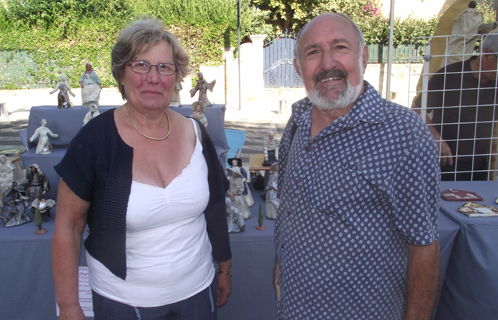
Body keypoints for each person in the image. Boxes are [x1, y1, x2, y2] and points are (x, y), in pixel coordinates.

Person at [52, 19, 232, 320]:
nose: (153, 77)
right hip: (123, 302)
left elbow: (215, 206)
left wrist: (224, 268)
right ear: (121, 73)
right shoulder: (93, 141)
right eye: (141, 65)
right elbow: (68, 227)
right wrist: (69, 307)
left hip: (198, 293)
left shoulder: (196, 133)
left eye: (165, 67)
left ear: (176, 78)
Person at [275, 13, 441, 320]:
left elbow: (424, 247)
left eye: (340, 47)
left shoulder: (403, 133)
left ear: (363, 56)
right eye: (312, 52)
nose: (326, 63)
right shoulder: (297, 121)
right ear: (299, 68)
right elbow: (290, 210)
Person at [413, 32, 498, 181]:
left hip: (480, 170)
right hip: (443, 167)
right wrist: (435, 138)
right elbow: (417, 108)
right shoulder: (450, 76)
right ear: (486, 55)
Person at [442, 1, 483, 67]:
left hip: (452, 50)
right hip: (462, 51)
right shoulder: (474, 18)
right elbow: (471, 30)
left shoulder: (460, 17)